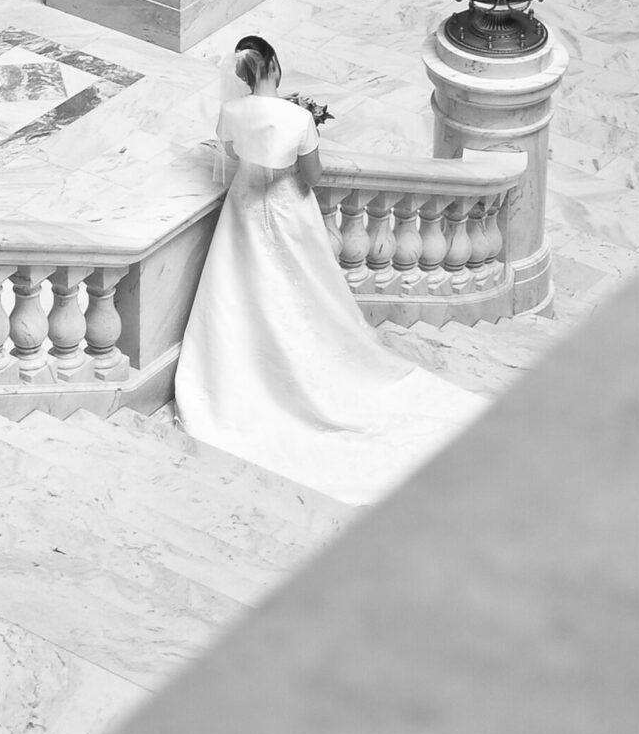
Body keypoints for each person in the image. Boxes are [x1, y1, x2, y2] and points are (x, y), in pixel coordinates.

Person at [175, 34, 484, 504]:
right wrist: (307, 133)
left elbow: (234, 155)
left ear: (240, 76)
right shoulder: (297, 117)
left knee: (240, 287)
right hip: (285, 207)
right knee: (305, 289)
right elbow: (314, 177)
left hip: (243, 204)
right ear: (275, 64)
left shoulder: (232, 113)